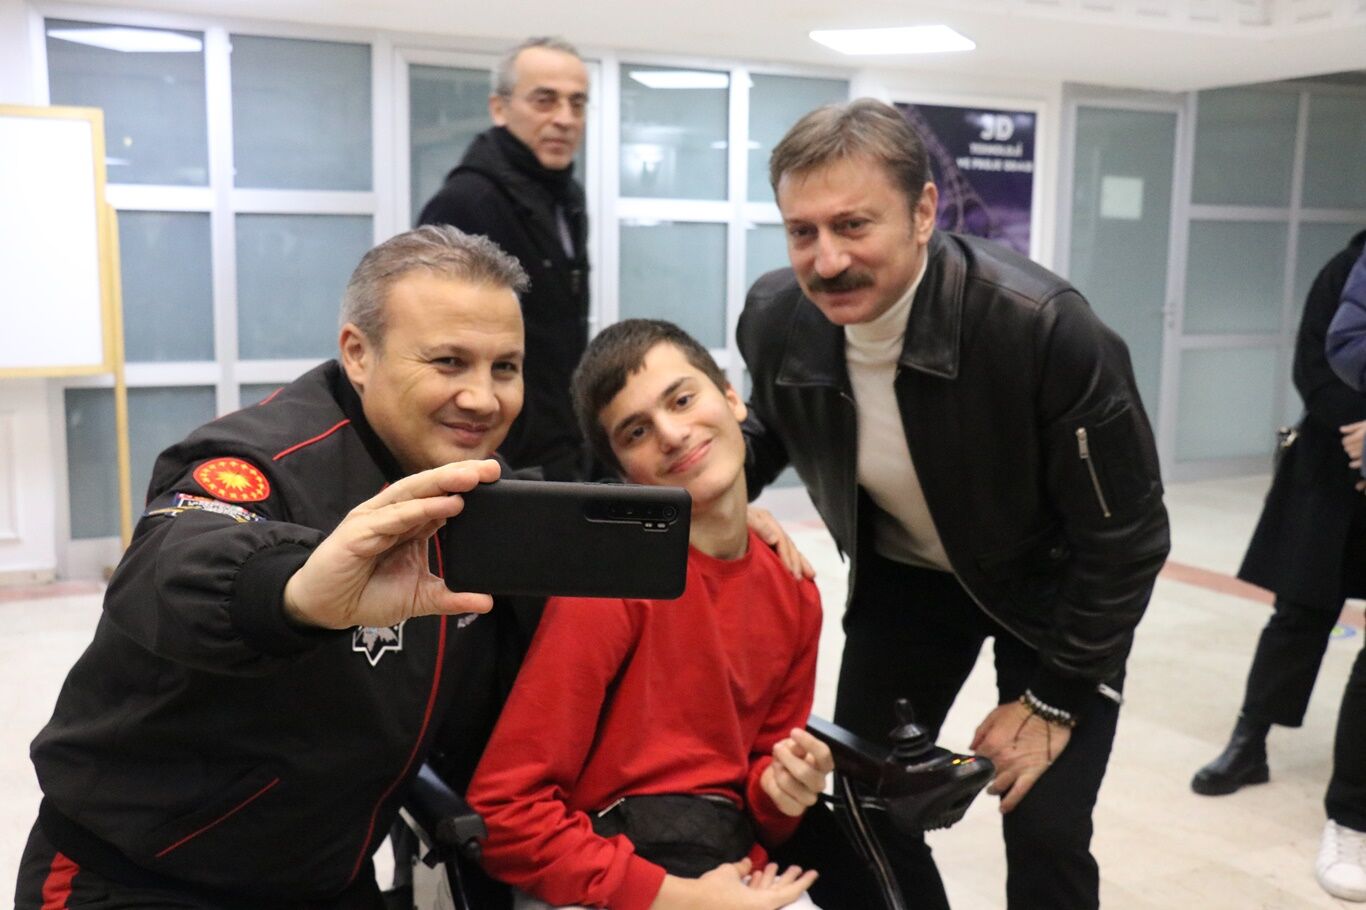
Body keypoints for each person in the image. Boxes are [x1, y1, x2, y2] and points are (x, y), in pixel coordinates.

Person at [15, 225, 533, 909]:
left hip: (329, 878)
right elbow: (167, 568)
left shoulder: (488, 494)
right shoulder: (261, 461)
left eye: (505, 368)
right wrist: (295, 593)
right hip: (138, 877)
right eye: (448, 362)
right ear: (358, 353)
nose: (483, 398)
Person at [736, 98, 1170, 910]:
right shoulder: (777, 317)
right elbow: (774, 426)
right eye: (802, 232)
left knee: (1043, 826)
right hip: (907, 581)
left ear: (923, 211)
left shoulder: (1041, 328)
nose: (827, 260)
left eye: (853, 225)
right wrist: (719, 491)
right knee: (868, 805)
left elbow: (1129, 537)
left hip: (1052, 594)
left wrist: (1053, 699)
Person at [466, 319, 833, 910]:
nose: (672, 434)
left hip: (729, 864)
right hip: (613, 876)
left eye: (682, 400)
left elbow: (761, 798)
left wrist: (785, 787)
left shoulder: (794, 590)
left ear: (733, 398)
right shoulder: (610, 587)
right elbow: (506, 817)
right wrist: (680, 898)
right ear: (622, 473)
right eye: (636, 431)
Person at [1194, 230, 1366, 902]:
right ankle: (1250, 742)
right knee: (1299, 612)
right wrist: (1359, 431)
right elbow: (1314, 367)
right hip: (1331, 464)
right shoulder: (1346, 268)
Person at [418, 36, 592, 481]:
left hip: (562, 442)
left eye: (577, 103)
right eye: (545, 100)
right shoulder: (466, 203)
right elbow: (440, 351)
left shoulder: (566, 198)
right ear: (500, 108)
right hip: (499, 455)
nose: (565, 119)